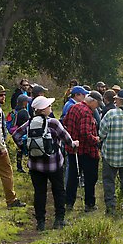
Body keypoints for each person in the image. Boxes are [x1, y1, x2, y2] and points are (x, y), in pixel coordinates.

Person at [27, 95, 79, 231]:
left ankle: (40, 222)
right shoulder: (54, 123)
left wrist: (27, 149)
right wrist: (74, 144)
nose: (50, 108)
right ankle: (59, 220)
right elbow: (67, 139)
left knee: (39, 192)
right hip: (53, 164)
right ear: (43, 109)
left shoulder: (30, 123)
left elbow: (16, 135)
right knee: (58, 191)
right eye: (48, 106)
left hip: (35, 165)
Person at [63, 90, 103, 212]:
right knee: (91, 178)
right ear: (93, 101)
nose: (97, 107)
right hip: (86, 151)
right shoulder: (86, 112)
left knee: (73, 177)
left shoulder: (75, 107)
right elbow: (85, 133)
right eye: (97, 104)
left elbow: (65, 122)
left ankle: (69, 203)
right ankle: (89, 204)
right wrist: (96, 139)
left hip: (73, 148)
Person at [13, 94, 31, 173]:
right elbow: (28, 122)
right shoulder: (24, 111)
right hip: (23, 134)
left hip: (17, 133)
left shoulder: (15, 110)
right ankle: (29, 168)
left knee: (19, 150)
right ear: (24, 102)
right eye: (27, 101)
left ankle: (19, 166)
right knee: (27, 150)